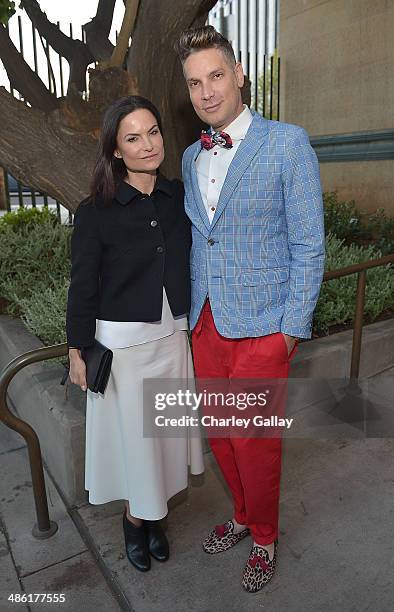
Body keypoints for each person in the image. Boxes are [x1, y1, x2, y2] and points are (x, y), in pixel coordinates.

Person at [175, 26, 325, 592]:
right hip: (208, 321)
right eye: (195, 83)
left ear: (239, 74)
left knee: (254, 442)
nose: (207, 92)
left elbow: (309, 244)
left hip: (265, 326)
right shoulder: (191, 156)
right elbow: (200, 238)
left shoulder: (287, 143)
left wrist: (290, 329)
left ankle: (264, 536)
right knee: (220, 435)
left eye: (216, 76)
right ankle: (240, 515)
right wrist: (192, 322)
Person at [66, 95, 204, 573]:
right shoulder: (96, 211)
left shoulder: (178, 198)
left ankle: (155, 516)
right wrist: (78, 348)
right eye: (132, 137)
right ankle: (134, 521)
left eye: (153, 132)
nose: (147, 145)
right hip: (124, 352)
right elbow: (82, 285)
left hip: (173, 340)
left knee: (164, 441)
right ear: (116, 150)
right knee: (136, 445)